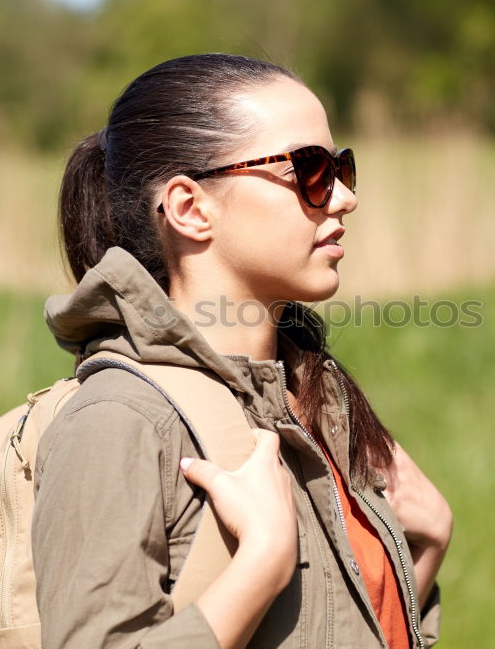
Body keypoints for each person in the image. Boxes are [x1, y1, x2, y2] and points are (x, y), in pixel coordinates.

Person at [31, 53, 453, 648]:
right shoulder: (119, 422)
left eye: (342, 167)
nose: (342, 198)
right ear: (189, 208)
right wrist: (261, 567)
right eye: (308, 169)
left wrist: (424, 548)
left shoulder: (308, 398)